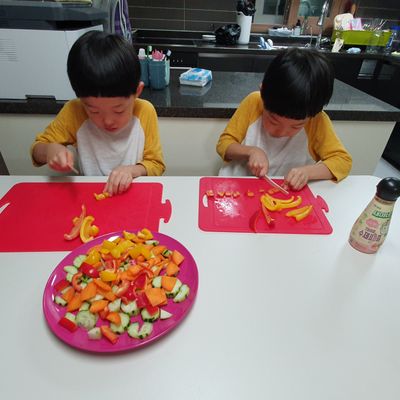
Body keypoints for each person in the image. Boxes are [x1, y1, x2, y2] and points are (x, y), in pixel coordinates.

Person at [31, 30, 165, 195]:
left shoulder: (145, 111)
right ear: (81, 99)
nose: (108, 121)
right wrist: (50, 151)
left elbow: (156, 165)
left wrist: (132, 170)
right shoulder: (74, 111)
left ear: (137, 92)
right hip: (90, 196)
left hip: (134, 195)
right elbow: (36, 151)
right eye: (93, 111)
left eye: (119, 110)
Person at [216, 47, 352, 191]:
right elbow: (224, 144)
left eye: (296, 126)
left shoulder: (317, 120)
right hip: (235, 188)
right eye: (273, 120)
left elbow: (343, 161)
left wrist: (307, 172)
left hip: (283, 192)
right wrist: (251, 151)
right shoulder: (254, 102)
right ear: (263, 92)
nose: (281, 132)